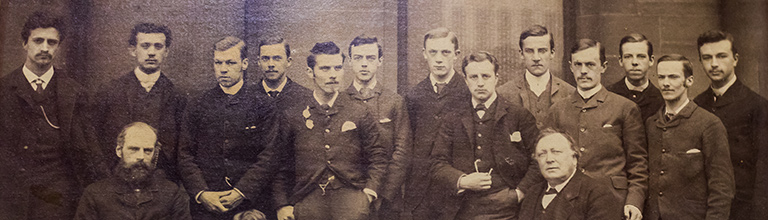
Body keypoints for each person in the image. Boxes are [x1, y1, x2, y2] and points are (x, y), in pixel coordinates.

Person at [0, 11, 108, 220]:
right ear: (25, 43)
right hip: (11, 195)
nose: (44, 48)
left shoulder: (75, 93)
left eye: (52, 42)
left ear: (58, 46)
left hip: (57, 197)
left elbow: (90, 149)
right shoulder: (3, 90)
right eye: (38, 41)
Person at [272, 41, 387, 220]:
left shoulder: (358, 111)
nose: (333, 75)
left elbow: (378, 156)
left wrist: (368, 193)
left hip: (351, 199)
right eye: (325, 69)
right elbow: (280, 164)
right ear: (311, 73)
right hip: (307, 198)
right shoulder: (293, 115)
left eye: (337, 68)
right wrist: (282, 205)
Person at [545, 38, 648, 220]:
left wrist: (634, 200)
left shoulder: (624, 107)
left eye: (590, 64)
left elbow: (637, 162)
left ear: (604, 66)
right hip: (569, 203)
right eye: (578, 64)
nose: (583, 71)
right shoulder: (558, 111)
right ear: (570, 67)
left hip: (613, 201)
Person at [179, 36, 280, 220]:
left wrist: (241, 192)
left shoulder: (263, 105)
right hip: (206, 207)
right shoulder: (197, 104)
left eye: (230, 62)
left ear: (245, 63)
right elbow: (185, 155)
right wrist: (202, 193)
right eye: (218, 62)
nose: (223, 69)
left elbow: (269, 156)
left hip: (251, 204)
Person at [430, 51, 540, 220]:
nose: (480, 83)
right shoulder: (452, 117)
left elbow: (538, 160)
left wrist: (518, 193)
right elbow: (437, 163)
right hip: (463, 208)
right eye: (474, 77)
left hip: (508, 209)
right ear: (466, 80)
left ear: (496, 78)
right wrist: (462, 181)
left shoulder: (518, 116)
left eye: (486, 76)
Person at [644, 54, 735, 220]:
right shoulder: (651, 124)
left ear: (689, 81)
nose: (665, 83)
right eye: (661, 77)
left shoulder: (709, 124)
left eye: (673, 77)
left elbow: (722, 187)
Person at [92, 23, 186, 181]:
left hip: (161, 183)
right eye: (145, 46)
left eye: (158, 46)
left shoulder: (177, 96)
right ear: (133, 50)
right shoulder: (110, 91)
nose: (151, 52)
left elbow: (183, 148)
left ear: (166, 52)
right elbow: (94, 140)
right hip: (115, 180)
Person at [692, 30, 768, 220]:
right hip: (705, 208)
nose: (714, 64)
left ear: (735, 59)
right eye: (707, 58)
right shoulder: (697, 104)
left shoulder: (757, 105)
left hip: (743, 208)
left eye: (721, 56)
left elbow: (764, 164)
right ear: (700, 62)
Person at [403, 27, 471, 220]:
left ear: (456, 55)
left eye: (445, 52)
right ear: (424, 54)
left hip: (458, 190)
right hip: (421, 192)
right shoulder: (413, 96)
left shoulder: (468, 92)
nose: (439, 59)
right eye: (433, 52)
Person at [345, 35, 411, 220]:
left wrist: (382, 193)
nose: (364, 64)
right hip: (349, 197)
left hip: (387, 200)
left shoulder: (395, 102)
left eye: (370, 58)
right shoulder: (340, 101)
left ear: (380, 61)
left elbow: (402, 153)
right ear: (350, 61)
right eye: (358, 58)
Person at [75, 122, 191, 220]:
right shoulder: (94, 194)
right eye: (134, 149)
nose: (141, 156)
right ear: (119, 151)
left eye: (147, 151)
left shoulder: (171, 193)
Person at [518, 129, 621, 220]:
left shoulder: (597, 194)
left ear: (574, 158)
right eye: (542, 154)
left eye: (556, 152)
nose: (549, 159)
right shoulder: (532, 193)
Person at [496, 25, 575, 128]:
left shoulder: (570, 93)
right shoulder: (504, 93)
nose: (536, 58)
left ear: (552, 53)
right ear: (521, 54)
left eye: (542, 51)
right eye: (530, 51)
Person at [606, 33, 664, 121]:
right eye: (628, 57)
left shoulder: (661, 99)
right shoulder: (607, 96)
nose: (634, 62)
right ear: (621, 61)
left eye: (641, 56)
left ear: (651, 60)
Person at [254, 37, 312, 109]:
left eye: (277, 58)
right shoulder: (247, 96)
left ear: (288, 61)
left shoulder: (306, 97)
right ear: (259, 62)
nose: (271, 64)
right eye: (265, 59)